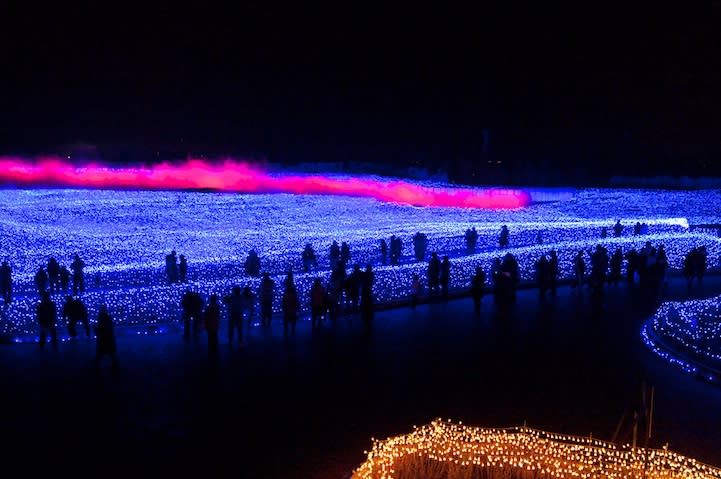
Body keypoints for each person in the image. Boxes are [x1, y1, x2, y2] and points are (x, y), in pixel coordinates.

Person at [94, 304, 119, 369]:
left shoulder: (103, 316)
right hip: (106, 337)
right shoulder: (105, 316)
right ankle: (114, 364)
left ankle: (96, 364)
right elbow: (107, 326)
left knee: (104, 352)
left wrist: (98, 330)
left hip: (105, 337)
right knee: (108, 352)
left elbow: (105, 327)